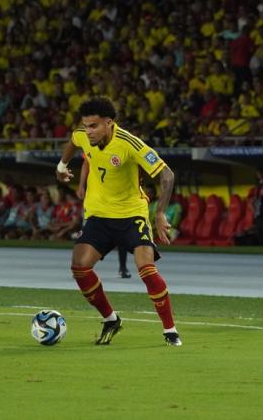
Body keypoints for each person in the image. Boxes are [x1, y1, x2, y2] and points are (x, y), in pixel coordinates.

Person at [56, 96, 181, 346]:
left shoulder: (129, 144)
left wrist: (159, 213)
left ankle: (170, 330)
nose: (88, 131)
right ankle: (111, 319)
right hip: (99, 215)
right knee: (80, 267)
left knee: (146, 268)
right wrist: (61, 165)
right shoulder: (83, 135)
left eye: (94, 126)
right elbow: (73, 141)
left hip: (131, 215)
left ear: (109, 123)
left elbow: (167, 175)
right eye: (86, 126)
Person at [77, 157, 131, 278]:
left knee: (121, 233)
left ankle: (123, 267)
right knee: (87, 233)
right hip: (95, 199)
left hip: (115, 198)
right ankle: (81, 266)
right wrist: (81, 185)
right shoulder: (92, 147)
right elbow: (86, 163)